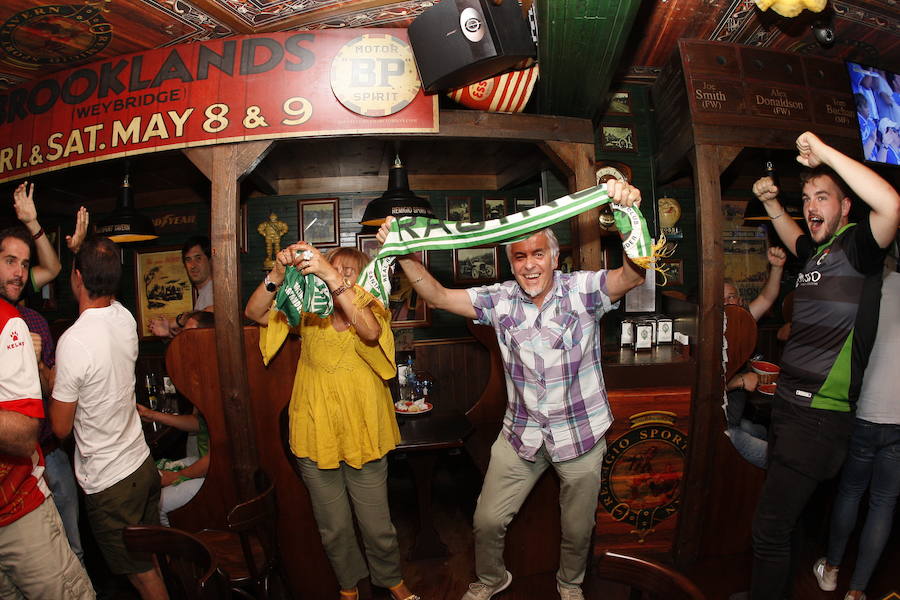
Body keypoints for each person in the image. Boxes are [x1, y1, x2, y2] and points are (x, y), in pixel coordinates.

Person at [377, 180, 646, 600]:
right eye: (520, 257)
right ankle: (491, 579)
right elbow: (439, 295)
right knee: (486, 520)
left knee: (577, 529)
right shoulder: (499, 299)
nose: (530, 265)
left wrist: (630, 214)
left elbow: (632, 275)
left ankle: (570, 584)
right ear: (511, 262)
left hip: (580, 435)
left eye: (539, 254)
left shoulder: (583, 291)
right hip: (520, 434)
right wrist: (403, 251)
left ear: (555, 258)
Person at [746, 131, 900, 600]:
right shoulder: (820, 252)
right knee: (784, 526)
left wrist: (827, 154)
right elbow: (794, 234)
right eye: (807, 196)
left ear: (846, 206)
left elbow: (891, 204)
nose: (812, 205)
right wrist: (772, 203)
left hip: (819, 417)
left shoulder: (859, 248)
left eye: (824, 196)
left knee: (767, 531)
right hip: (790, 407)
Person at [245, 245, 419, 600]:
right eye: (333, 268)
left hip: (364, 430)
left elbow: (370, 333)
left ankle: (390, 579)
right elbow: (254, 311)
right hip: (316, 430)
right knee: (333, 527)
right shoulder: (308, 314)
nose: (339, 275)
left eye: (350, 271)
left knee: (376, 526)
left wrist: (332, 277)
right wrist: (278, 275)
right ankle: (348, 584)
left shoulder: (373, 309)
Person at [50, 236, 168, 600]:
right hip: (141, 465)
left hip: (111, 482)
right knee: (147, 561)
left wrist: (43, 374)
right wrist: (83, 256)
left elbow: (60, 427)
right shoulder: (124, 318)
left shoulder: (73, 341)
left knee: (141, 575)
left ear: (76, 277)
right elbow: (104, 293)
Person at [0, 227, 95, 598]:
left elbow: (51, 394)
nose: (19, 273)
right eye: (11, 262)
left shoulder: (25, 324)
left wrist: (36, 360)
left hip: (37, 471)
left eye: (24, 265)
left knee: (71, 553)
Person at [813, 242, 900, 600]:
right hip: (898, 419)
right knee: (884, 502)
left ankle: (831, 571)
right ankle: (857, 591)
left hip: (864, 408)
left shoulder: (871, 289)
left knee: (850, 491)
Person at [140, 310, 214, 526]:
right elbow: (197, 424)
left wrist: (174, 477)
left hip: (218, 474)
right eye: (182, 335)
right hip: (205, 462)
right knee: (152, 476)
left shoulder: (217, 381)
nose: (183, 341)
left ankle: (178, 556)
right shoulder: (202, 374)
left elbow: (215, 459)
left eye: (190, 335)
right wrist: (152, 414)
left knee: (157, 505)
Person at [722, 246, 786, 468]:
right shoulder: (708, 335)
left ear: (739, 302)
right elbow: (706, 390)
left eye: (731, 297)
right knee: (777, 460)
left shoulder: (743, 322)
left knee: (765, 431)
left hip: (736, 420)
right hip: (721, 429)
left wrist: (777, 268)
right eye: (721, 300)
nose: (728, 303)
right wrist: (739, 381)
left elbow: (768, 297)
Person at [148, 235, 214, 338]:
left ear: (210, 260)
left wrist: (176, 321)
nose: (193, 265)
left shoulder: (215, 291)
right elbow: (195, 338)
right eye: (188, 260)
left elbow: (213, 311)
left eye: (198, 258)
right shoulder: (203, 293)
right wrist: (169, 333)